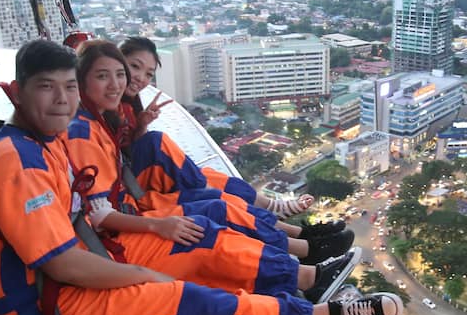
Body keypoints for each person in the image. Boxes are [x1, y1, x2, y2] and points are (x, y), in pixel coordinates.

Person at [0, 39, 403, 315]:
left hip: (90, 261)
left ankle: (304, 276)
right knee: (186, 301)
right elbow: (62, 263)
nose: (62, 100)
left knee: (205, 234)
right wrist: (142, 275)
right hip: (54, 314)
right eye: (47, 87)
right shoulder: (17, 162)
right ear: (15, 91)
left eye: (68, 87)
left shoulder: (43, 139)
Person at [62, 39, 351, 298]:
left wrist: (141, 126)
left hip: (127, 204)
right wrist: (157, 223)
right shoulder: (84, 131)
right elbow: (99, 215)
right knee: (210, 209)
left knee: (214, 192)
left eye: (122, 74)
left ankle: (302, 246)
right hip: (122, 224)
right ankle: (304, 266)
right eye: (104, 75)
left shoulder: (100, 117)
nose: (118, 83)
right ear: (82, 80)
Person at [116, 37, 326, 240]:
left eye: (148, 74)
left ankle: (278, 213)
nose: (141, 78)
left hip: (137, 174)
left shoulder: (127, 102)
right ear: (117, 61)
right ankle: (297, 237)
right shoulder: (108, 104)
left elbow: (132, 146)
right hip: (130, 185)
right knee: (161, 144)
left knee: (221, 180)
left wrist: (142, 123)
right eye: (135, 67)